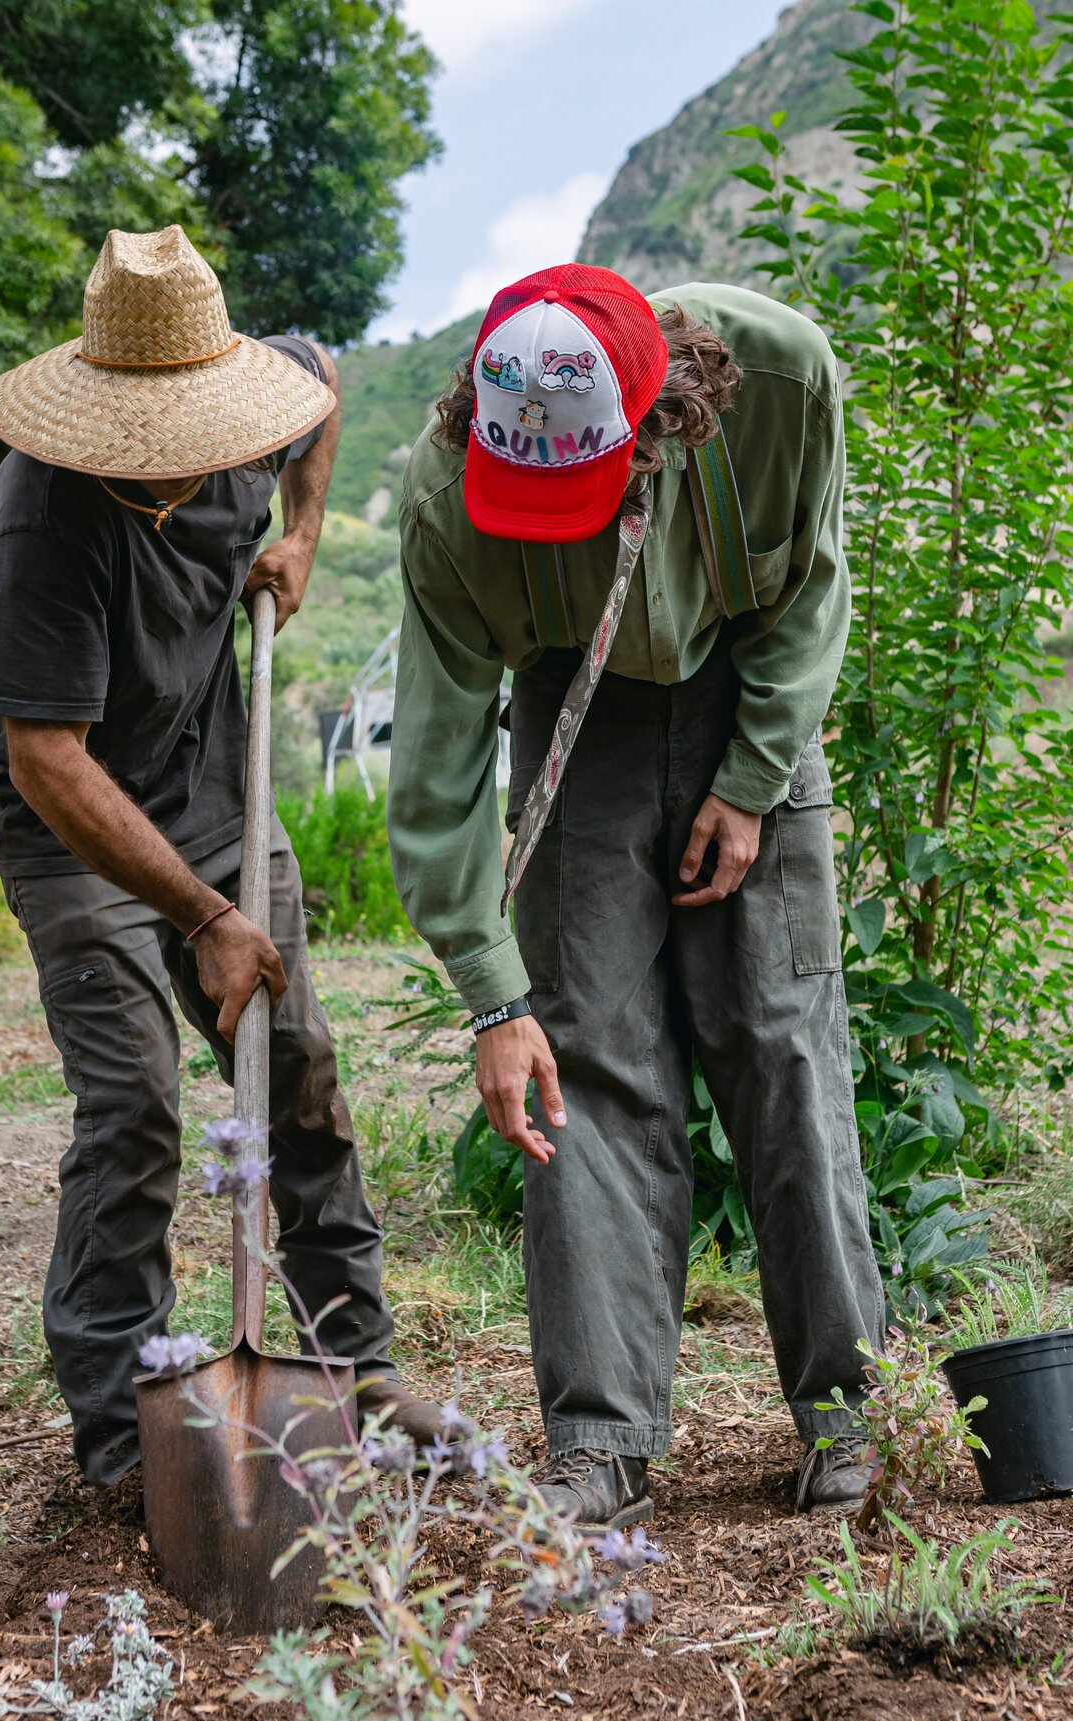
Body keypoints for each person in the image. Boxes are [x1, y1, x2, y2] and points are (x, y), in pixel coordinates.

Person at [386, 263, 885, 1528]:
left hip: (747, 678)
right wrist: (494, 999)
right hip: (576, 707)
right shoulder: (446, 508)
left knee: (781, 1043)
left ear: (659, 421)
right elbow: (439, 771)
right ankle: (600, 1442)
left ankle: (847, 1411)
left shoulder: (777, 376)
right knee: (583, 1063)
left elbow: (812, 582)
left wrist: (756, 777)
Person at [0, 223, 440, 1486]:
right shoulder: (48, 512)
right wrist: (198, 915)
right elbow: (48, 762)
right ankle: (127, 1434)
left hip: (214, 798)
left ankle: (357, 1367)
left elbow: (326, 378)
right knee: (133, 1100)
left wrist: (301, 530)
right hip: (74, 825)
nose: (194, 461)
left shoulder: (250, 423)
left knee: (298, 1069)